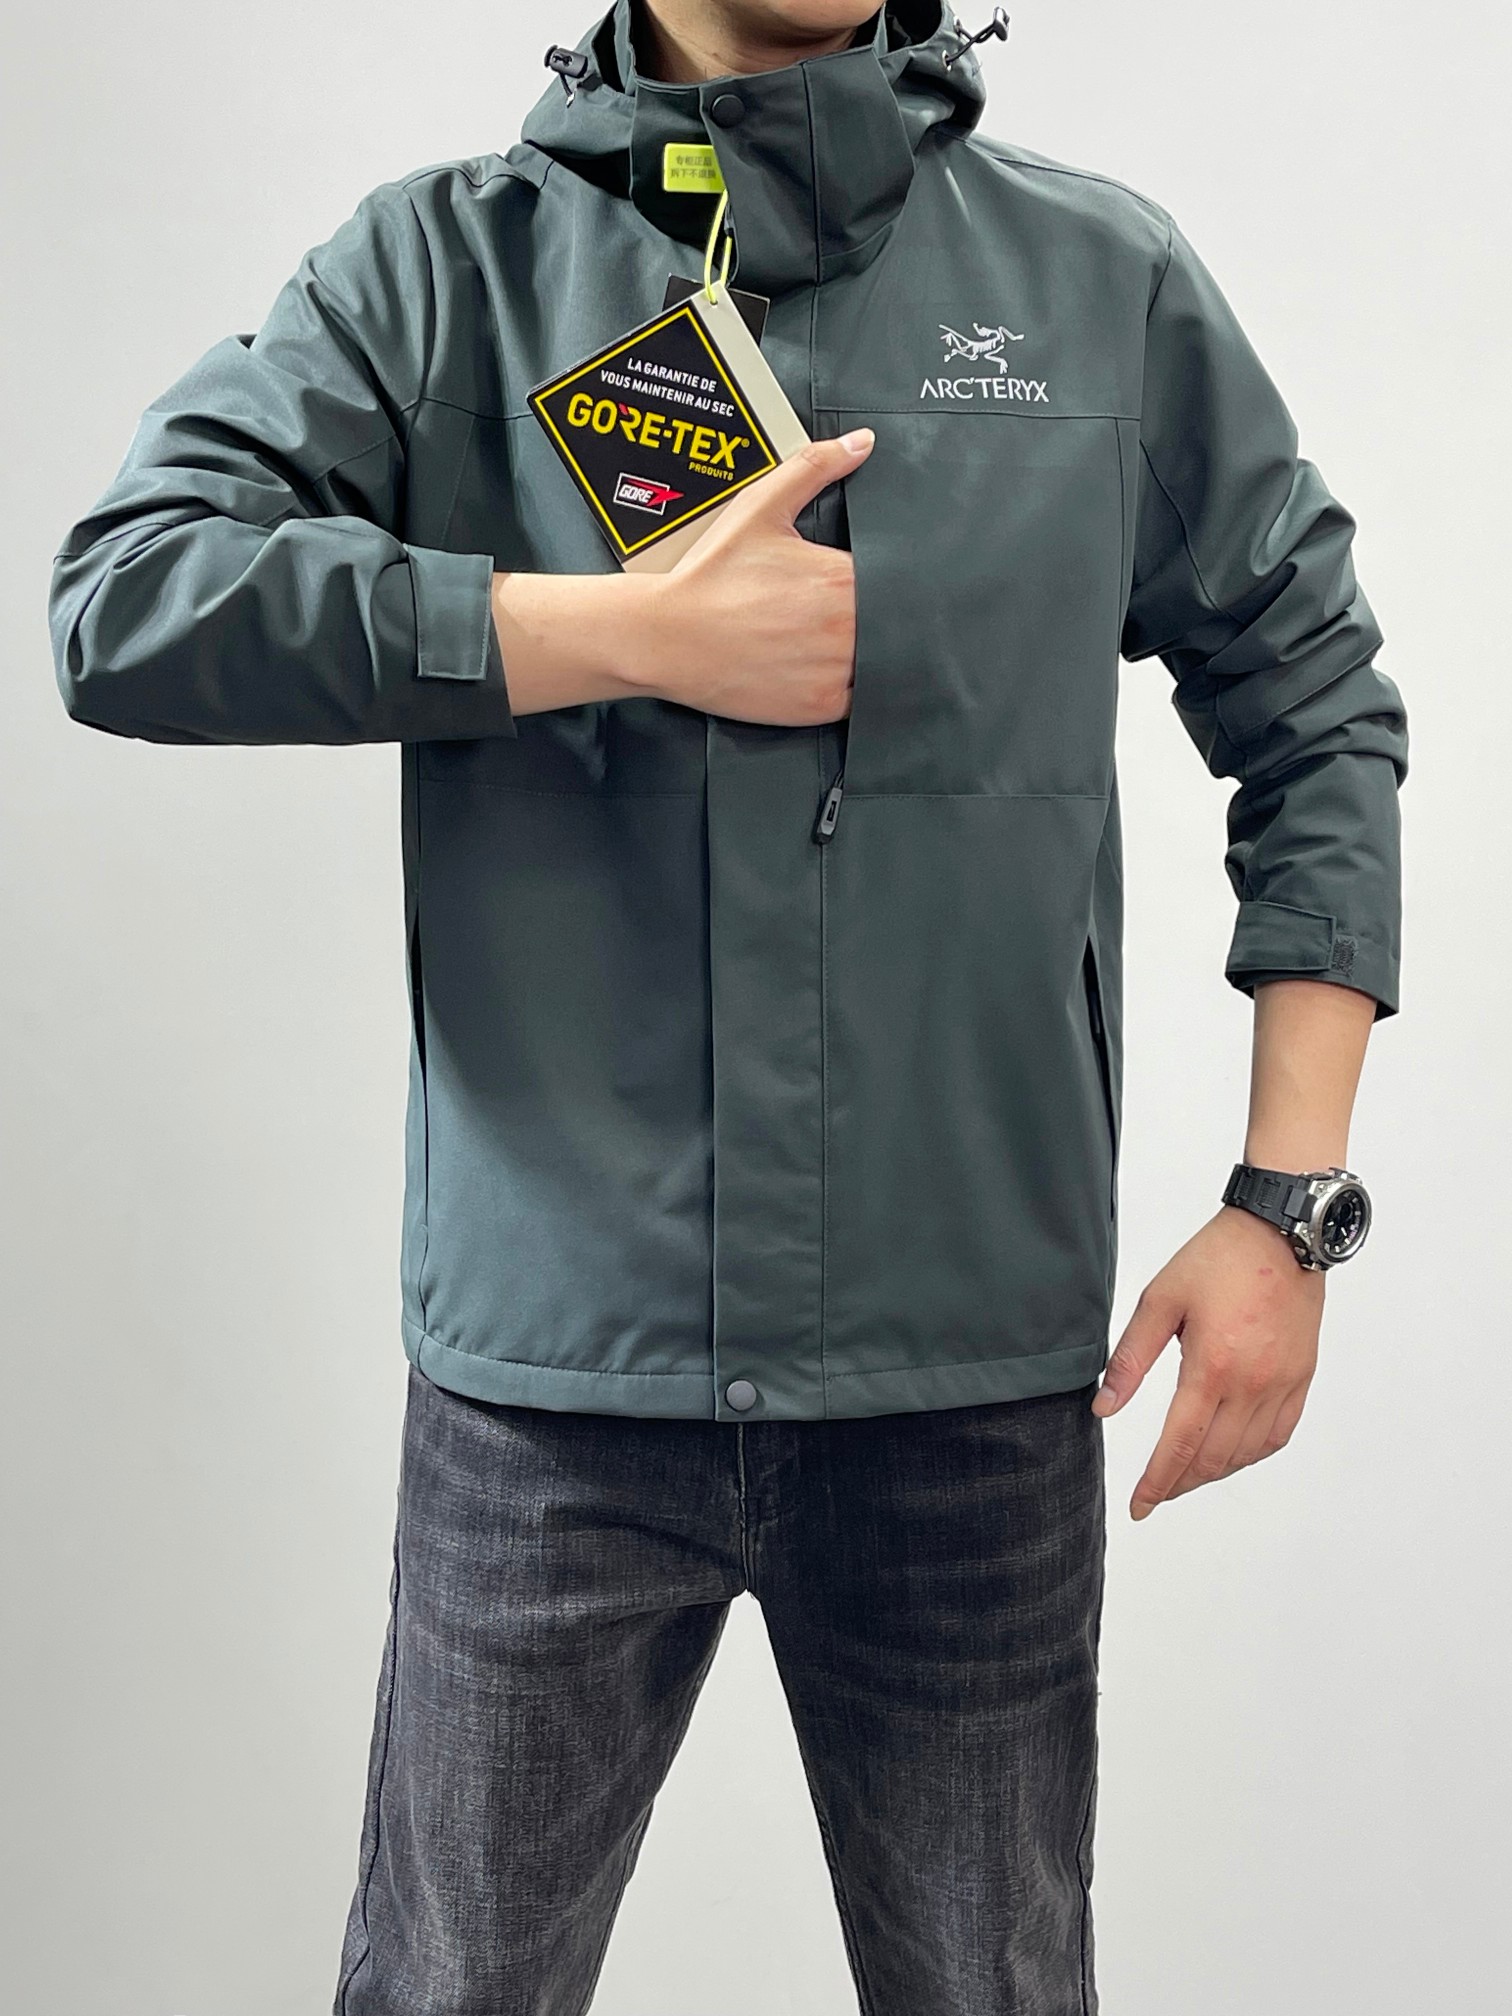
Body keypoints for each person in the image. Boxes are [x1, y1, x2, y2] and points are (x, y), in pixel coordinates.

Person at [46, 1, 1408, 2009]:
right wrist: (600, 632)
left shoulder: (1097, 281)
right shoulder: (440, 273)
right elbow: (129, 598)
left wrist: (1290, 1205)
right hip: (551, 1391)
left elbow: (1318, 704)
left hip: (963, 1382)